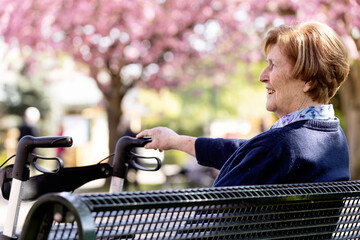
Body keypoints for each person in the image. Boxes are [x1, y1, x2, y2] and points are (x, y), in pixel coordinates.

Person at [136, 21, 351, 187]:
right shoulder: (332, 137)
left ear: (308, 80)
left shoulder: (279, 147)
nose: (262, 76)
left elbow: (207, 221)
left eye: (273, 65)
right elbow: (247, 153)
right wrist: (175, 140)